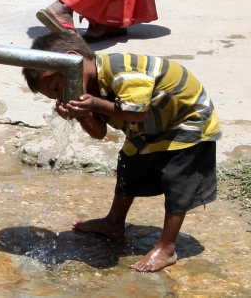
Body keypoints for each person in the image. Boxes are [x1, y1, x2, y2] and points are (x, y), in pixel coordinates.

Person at [22, 32, 221, 273]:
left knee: (177, 181)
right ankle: (114, 222)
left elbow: (137, 113)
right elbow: (99, 133)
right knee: (128, 165)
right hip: (148, 129)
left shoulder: (122, 71)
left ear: (73, 61)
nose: (61, 97)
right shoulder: (90, 87)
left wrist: (95, 104)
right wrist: (82, 115)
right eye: (54, 96)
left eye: (57, 87)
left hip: (186, 122)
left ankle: (167, 248)